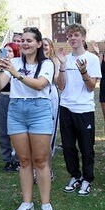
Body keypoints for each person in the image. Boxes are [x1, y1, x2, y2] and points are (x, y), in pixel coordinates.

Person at [0, 27, 56, 210]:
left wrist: (15, 73)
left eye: (29, 40)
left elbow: (39, 85)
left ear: (38, 43)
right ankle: (27, 203)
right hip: (17, 110)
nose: (24, 43)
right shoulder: (13, 62)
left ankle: (46, 204)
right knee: (24, 160)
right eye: (22, 41)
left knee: (41, 161)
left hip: (39, 110)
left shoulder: (47, 64)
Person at [56, 23, 102, 196]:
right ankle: (75, 175)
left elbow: (91, 87)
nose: (72, 38)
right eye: (70, 36)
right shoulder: (65, 59)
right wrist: (61, 65)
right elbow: (61, 85)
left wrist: (84, 72)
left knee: (86, 147)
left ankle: (87, 179)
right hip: (66, 107)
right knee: (68, 146)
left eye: (76, 35)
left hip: (84, 110)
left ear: (83, 37)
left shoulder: (92, 59)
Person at [0, 42, 20, 172]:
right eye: (5, 51)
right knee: (2, 131)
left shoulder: (18, 66)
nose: (7, 53)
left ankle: (17, 160)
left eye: (10, 51)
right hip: (2, 98)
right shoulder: (0, 67)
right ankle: (7, 160)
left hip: (15, 99)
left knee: (16, 131)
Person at [43, 38, 61, 178]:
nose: (43, 48)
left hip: (51, 95)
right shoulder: (34, 61)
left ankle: (48, 168)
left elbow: (56, 80)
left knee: (49, 133)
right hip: (37, 96)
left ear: (51, 47)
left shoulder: (54, 61)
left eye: (46, 46)